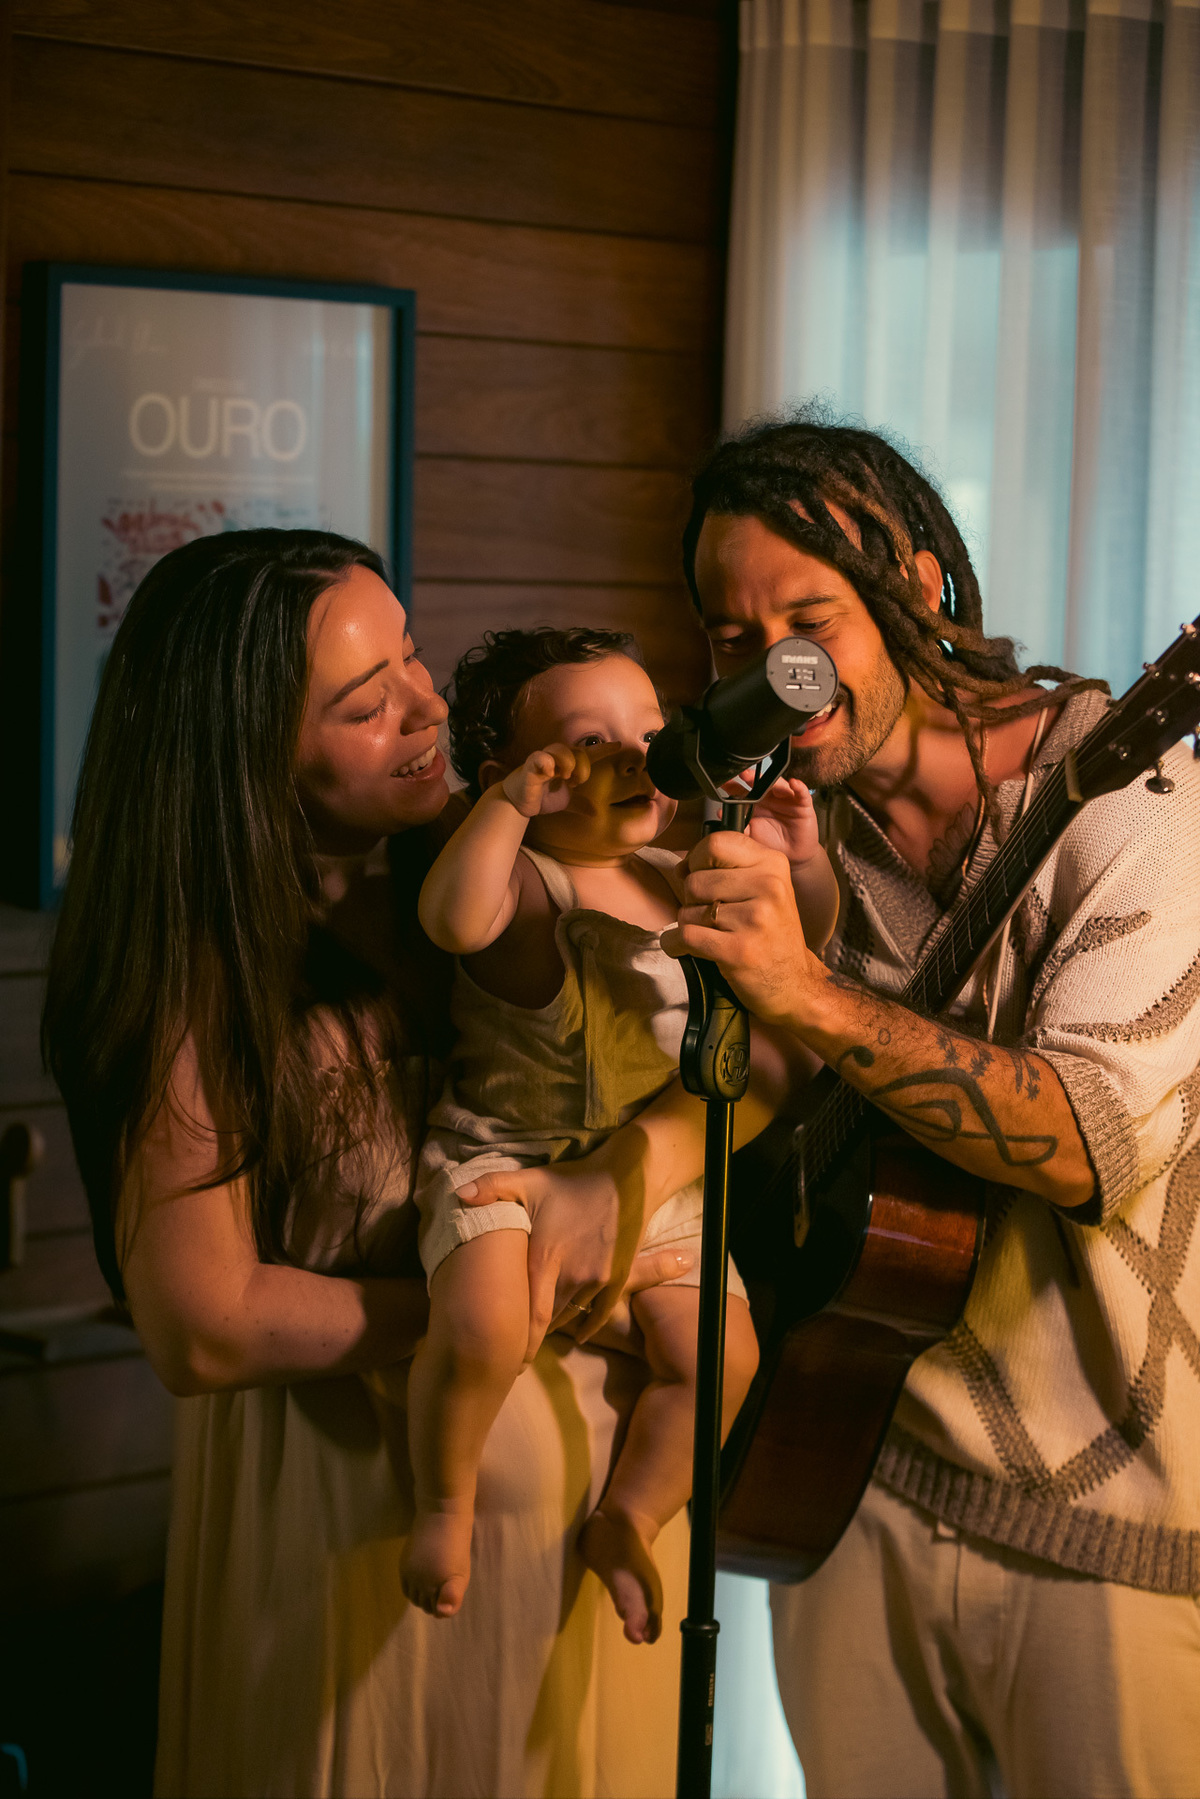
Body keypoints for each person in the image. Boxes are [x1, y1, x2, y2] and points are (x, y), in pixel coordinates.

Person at [41, 530, 782, 1799]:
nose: (427, 706)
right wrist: (488, 1309)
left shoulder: (470, 878)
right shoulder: (202, 971)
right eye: (365, 701)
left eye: (413, 657)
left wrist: (617, 1180)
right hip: (356, 1547)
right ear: (244, 759)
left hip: (588, 1545)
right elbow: (203, 1325)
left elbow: (740, 1068)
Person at [659, 414, 1200, 1799]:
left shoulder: (1137, 800)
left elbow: (1086, 1138)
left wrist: (811, 992)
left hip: (1112, 1535)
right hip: (843, 1468)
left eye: (811, 615)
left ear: (921, 584)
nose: (776, 666)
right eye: (735, 635)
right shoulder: (792, 822)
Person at [401, 627, 836, 1639]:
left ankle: (630, 1515)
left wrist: (798, 861)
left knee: (724, 1358)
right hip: (506, 1159)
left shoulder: (673, 867)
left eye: (650, 729)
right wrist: (505, 811)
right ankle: (442, 1501)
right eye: (589, 741)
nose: (638, 756)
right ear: (520, 775)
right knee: (484, 1325)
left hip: (651, 1182)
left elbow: (806, 945)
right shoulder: (521, 887)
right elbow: (450, 920)